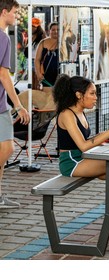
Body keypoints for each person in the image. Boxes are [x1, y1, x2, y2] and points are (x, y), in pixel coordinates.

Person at [53, 74, 109, 237]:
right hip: (72, 162)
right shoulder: (67, 114)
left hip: (84, 158)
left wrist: (107, 135)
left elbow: (85, 140)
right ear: (78, 95)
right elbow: (83, 145)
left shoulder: (80, 112)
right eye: (92, 93)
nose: (96, 98)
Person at [0, 0, 30, 209]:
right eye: (14, 12)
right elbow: (3, 74)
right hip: (0, 106)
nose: (16, 17)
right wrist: (19, 105)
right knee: (7, 148)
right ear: (4, 12)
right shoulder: (3, 38)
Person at [35, 22, 59, 93]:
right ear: (49, 31)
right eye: (53, 30)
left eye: (58, 29)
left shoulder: (63, 43)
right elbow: (37, 60)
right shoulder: (43, 42)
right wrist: (38, 73)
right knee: (47, 97)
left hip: (60, 75)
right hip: (46, 76)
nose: (56, 31)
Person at [24, 17, 46, 90]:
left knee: (36, 80)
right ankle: (32, 95)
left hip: (37, 61)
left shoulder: (42, 36)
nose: (32, 28)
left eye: (34, 26)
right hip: (30, 60)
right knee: (31, 80)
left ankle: (36, 95)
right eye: (31, 26)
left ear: (38, 27)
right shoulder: (30, 36)